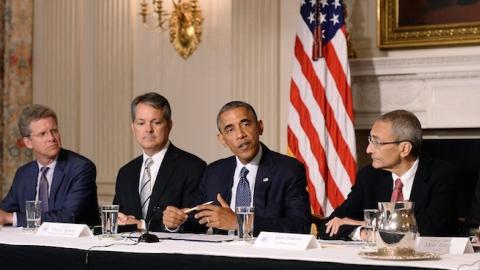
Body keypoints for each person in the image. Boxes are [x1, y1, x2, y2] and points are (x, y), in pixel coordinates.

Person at [163, 101, 311, 235]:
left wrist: (240, 223)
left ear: (260, 127)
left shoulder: (288, 170)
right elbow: (197, 221)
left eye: (246, 124)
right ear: (222, 139)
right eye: (230, 130)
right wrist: (175, 221)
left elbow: (300, 226)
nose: (240, 134)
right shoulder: (214, 172)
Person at [320, 110, 458, 240]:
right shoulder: (369, 176)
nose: (368, 149)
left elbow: (431, 228)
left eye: (377, 142)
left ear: (404, 149)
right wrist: (365, 234)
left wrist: (366, 224)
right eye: (370, 140)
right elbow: (329, 226)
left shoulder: (442, 174)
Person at [113, 92, 206, 232]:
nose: (148, 129)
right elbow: (119, 219)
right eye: (141, 123)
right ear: (133, 128)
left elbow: (198, 223)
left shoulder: (192, 167)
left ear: (169, 125)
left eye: (156, 122)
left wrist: (144, 226)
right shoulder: (126, 172)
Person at [0, 104, 99, 226]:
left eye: (54, 131)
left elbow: (68, 216)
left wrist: (12, 219)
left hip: (72, 243)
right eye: (42, 134)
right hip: (29, 241)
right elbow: (5, 210)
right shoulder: (24, 173)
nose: (51, 138)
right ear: (28, 142)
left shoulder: (81, 168)